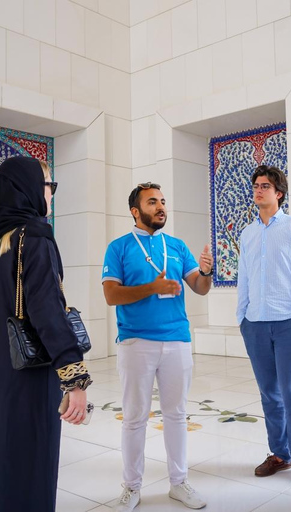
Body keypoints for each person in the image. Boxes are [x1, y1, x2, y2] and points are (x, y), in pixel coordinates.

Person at [0, 156, 91, 512]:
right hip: (27, 380)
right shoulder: (35, 237)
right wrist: (75, 381)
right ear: (31, 189)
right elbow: (48, 313)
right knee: (28, 463)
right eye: (50, 186)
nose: (51, 196)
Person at [102, 182, 213, 512]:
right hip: (136, 341)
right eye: (153, 202)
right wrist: (153, 287)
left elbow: (201, 288)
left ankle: (179, 483)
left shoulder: (177, 246)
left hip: (177, 340)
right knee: (135, 417)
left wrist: (206, 270)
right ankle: (131, 487)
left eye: (163, 201)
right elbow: (111, 295)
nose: (161, 206)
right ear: (136, 211)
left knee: (176, 415)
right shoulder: (118, 248)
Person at [236, 165, 291, 486]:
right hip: (254, 323)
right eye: (255, 185)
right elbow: (244, 276)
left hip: (289, 322)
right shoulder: (248, 232)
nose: (258, 190)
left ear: (279, 192)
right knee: (269, 393)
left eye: (265, 185)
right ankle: (280, 454)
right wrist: (241, 316)